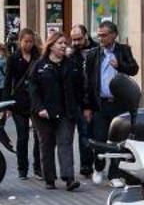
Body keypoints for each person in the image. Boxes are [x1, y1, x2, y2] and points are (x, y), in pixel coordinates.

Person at [81, 19, 139, 180]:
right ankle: (98, 167)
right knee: (100, 139)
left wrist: (120, 65)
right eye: (99, 36)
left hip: (120, 104)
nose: (101, 39)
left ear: (114, 35)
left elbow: (134, 69)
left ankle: (115, 174)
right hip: (101, 104)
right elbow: (87, 82)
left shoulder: (123, 51)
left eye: (104, 35)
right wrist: (87, 106)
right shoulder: (93, 54)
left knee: (118, 140)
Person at [28, 34, 84, 191]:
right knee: (47, 145)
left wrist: (81, 106)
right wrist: (40, 108)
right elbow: (33, 90)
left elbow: (80, 86)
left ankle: (69, 178)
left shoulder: (71, 65)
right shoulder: (39, 66)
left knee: (65, 143)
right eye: (60, 43)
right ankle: (49, 178)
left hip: (66, 111)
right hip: (44, 113)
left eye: (65, 43)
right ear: (51, 46)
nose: (64, 46)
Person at [5, 28, 40, 178]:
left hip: (35, 101)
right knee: (22, 136)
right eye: (26, 41)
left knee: (39, 137)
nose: (29, 44)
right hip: (18, 102)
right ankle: (22, 168)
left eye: (31, 41)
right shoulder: (13, 58)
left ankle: (38, 167)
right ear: (20, 41)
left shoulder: (38, 57)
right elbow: (7, 82)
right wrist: (6, 105)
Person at [67, 23, 94, 175]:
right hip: (78, 99)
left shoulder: (97, 49)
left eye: (79, 39)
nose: (76, 43)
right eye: (73, 40)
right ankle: (86, 166)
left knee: (96, 134)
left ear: (86, 35)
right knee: (84, 133)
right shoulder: (72, 54)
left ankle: (97, 163)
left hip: (96, 99)